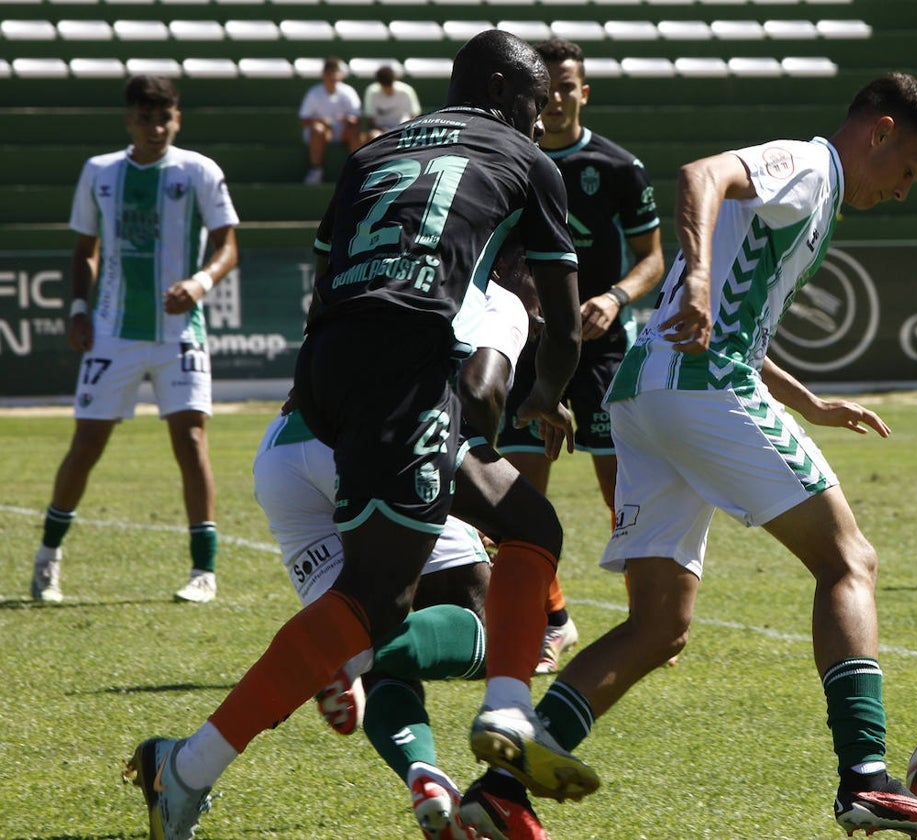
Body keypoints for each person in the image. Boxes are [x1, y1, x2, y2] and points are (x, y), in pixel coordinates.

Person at [468, 72, 917, 839]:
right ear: (880, 132)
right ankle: (865, 776)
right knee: (849, 564)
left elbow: (734, 321)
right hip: (698, 389)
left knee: (658, 626)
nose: (904, 191)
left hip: (647, 394)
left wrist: (809, 404)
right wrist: (698, 270)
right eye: (908, 171)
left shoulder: (817, 198)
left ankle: (501, 792)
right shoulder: (810, 167)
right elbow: (702, 175)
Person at [125, 30, 591, 840]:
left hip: (329, 367)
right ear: (505, 92)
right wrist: (545, 396)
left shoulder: (375, 152)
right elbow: (563, 320)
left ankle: (505, 712)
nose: (542, 117)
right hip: (405, 363)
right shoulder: (526, 160)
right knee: (378, 603)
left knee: (526, 523)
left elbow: (324, 274)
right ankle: (187, 765)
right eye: (535, 101)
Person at [251, 246, 531, 840]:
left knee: (371, 610)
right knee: (494, 621)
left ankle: (424, 775)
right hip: (381, 442)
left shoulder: (390, 257)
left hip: (284, 449)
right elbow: (478, 397)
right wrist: (480, 489)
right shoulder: (500, 297)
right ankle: (350, 657)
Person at [30, 74, 239, 605]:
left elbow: (227, 245)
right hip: (113, 333)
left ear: (178, 118)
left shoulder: (198, 171)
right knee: (86, 447)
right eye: (146, 118)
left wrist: (199, 282)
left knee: (191, 443)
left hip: (179, 333)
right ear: (130, 120)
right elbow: (84, 251)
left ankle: (203, 571)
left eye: (165, 116)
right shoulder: (100, 173)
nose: (157, 127)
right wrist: (79, 310)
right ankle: (48, 559)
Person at [497, 38, 664, 674]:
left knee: (621, 495)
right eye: (549, 89)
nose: (560, 98)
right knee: (512, 497)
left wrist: (617, 297)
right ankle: (554, 621)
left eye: (570, 86)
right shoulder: (509, 161)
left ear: (584, 92)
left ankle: (645, 621)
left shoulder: (617, 167)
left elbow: (653, 257)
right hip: (525, 349)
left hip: (599, 352)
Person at [299, 56, 362, 186]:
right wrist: (320, 121)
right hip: (323, 134)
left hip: (342, 132)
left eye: (334, 72)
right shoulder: (314, 93)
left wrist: (349, 120)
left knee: (354, 130)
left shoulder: (348, 91)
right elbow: (304, 119)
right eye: (329, 73)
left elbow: (356, 117)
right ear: (323, 74)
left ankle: (356, 171)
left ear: (340, 75)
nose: (332, 77)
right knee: (317, 129)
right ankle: (315, 170)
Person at [362, 62, 423, 143]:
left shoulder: (406, 91)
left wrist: (400, 130)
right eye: (385, 86)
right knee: (373, 136)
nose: (388, 90)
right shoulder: (372, 92)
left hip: (402, 130)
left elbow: (414, 116)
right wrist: (382, 130)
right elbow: (370, 120)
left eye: (389, 85)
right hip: (380, 131)